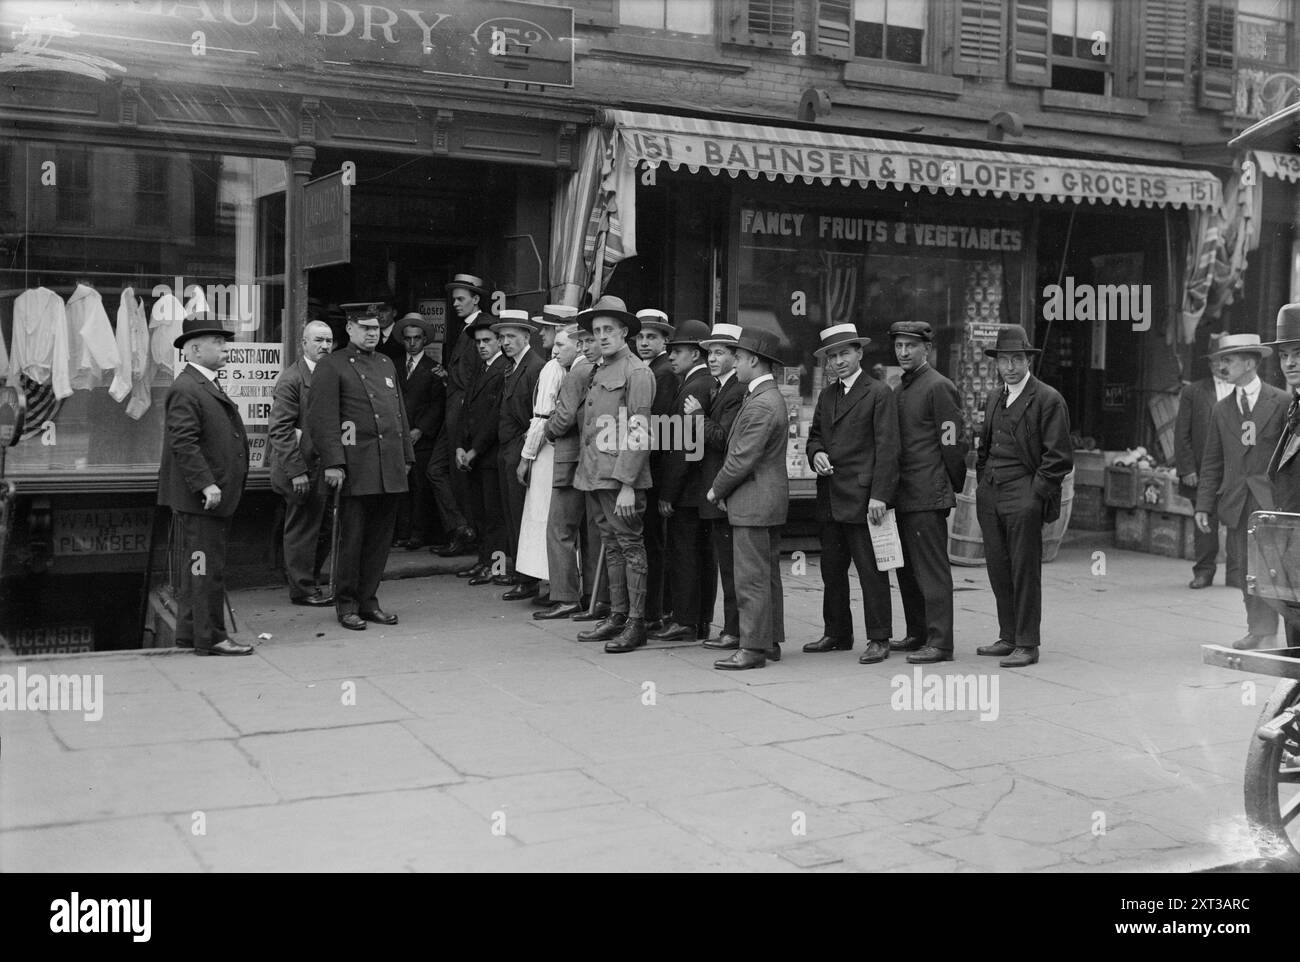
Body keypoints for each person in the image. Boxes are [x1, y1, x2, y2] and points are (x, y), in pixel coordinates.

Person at [307, 310, 415, 631]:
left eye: (377, 329)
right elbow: (322, 417)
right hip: (355, 467)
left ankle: (369, 601)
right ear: (350, 328)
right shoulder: (333, 364)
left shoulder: (384, 364)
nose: (372, 334)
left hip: (388, 466)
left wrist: (406, 456)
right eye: (365, 328)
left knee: (379, 541)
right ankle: (347, 604)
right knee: (351, 540)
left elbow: (399, 413)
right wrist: (334, 462)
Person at [975, 325, 1073, 668]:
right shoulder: (994, 397)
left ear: (1027, 360)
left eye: (1017, 359)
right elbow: (985, 446)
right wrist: (982, 483)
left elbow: (1059, 457)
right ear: (997, 363)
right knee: (998, 567)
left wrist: (1035, 496)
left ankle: (1028, 643)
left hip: (1024, 492)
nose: (1011, 366)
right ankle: (1008, 635)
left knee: (1024, 569)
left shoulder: (1047, 398)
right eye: (1004, 359)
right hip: (991, 492)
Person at [803, 324, 899, 665]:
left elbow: (888, 449)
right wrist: (816, 454)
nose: (839, 361)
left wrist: (880, 496)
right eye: (833, 356)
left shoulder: (878, 392)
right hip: (830, 495)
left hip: (863, 498)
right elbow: (814, 437)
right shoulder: (827, 395)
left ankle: (879, 637)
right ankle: (837, 632)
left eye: (845, 353)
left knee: (871, 571)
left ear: (860, 353)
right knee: (832, 569)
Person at [158, 313, 252, 656]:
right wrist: (206, 485)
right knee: (206, 567)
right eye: (218, 342)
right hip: (203, 499)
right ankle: (212, 638)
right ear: (195, 349)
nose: (225, 348)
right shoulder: (187, 387)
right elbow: (184, 442)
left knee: (196, 565)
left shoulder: (201, 383)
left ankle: (190, 633)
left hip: (207, 497)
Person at [1196, 333, 1290, 651]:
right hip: (1236, 500)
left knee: (1274, 566)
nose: (1222, 366)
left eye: (1229, 360)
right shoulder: (1222, 409)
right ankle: (1258, 629)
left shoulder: (1282, 402)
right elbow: (1211, 461)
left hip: (1271, 501)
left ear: (1249, 363)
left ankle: (1276, 628)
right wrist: (1203, 506)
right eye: (1221, 360)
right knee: (1243, 568)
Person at [573, 296, 655, 653]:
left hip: (620, 479)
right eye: (597, 331)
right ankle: (618, 615)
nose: (602, 336)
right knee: (613, 547)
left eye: (609, 330)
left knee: (631, 548)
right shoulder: (601, 368)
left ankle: (636, 623)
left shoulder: (637, 373)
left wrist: (627, 485)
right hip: (595, 473)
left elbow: (640, 430)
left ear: (625, 332)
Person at [708, 328, 789, 670]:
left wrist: (717, 489)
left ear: (754, 360)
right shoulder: (765, 397)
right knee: (766, 574)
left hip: (753, 500)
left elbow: (741, 457)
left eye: (738, 358)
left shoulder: (761, 403)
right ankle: (767, 641)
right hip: (764, 499)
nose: (735, 364)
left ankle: (753, 648)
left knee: (751, 577)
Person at [889, 320, 967, 664]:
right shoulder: (900, 387)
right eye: (899, 346)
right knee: (906, 570)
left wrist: (949, 488)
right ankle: (918, 632)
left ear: (927, 349)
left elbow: (952, 444)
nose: (903, 352)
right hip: (903, 493)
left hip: (927, 493)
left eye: (911, 346)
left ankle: (940, 642)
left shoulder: (940, 387)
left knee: (932, 571)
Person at [651, 319, 715, 642]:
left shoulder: (691, 386)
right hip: (700, 489)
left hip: (687, 490)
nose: (671, 356)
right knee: (702, 555)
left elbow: (681, 446)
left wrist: (668, 493)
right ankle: (700, 619)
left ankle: (684, 620)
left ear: (694, 353)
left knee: (684, 555)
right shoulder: (705, 382)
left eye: (677, 351)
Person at [268, 319, 334, 607]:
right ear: (304, 343)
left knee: (322, 529)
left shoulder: (329, 375)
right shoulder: (292, 379)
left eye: (329, 341)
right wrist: (297, 471)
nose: (324, 346)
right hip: (301, 469)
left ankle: (308, 581)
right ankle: (302, 589)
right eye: (318, 340)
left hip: (322, 468)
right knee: (302, 530)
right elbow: (280, 429)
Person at [429, 274, 491, 558]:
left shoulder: (481, 328)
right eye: (453, 299)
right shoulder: (466, 328)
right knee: (438, 470)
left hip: (462, 415)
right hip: (452, 411)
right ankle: (462, 528)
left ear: (476, 299)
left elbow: (476, 379)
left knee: (454, 473)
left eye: (460, 299)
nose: (455, 304)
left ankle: (466, 532)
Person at [693, 323, 746, 652]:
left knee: (730, 566)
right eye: (710, 353)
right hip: (715, 488)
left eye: (720, 353)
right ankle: (730, 627)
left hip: (723, 489)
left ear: (735, 357)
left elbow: (724, 439)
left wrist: (698, 416)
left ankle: (734, 630)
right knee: (724, 562)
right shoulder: (720, 387)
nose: (712, 358)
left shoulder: (736, 391)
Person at [530, 324, 588, 620]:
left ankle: (565, 597)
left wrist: (549, 431)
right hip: (585, 461)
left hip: (568, 460)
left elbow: (563, 418)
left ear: (578, 346)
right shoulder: (587, 369)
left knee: (559, 529)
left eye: (562, 345)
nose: (554, 351)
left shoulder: (576, 373)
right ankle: (585, 594)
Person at [493, 309, 547, 600]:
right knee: (512, 513)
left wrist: (525, 451)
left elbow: (537, 415)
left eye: (512, 336)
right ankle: (520, 573)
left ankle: (527, 579)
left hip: (520, 447)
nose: (506, 342)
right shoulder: (512, 366)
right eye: (502, 337)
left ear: (526, 336)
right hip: (508, 448)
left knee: (521, 514)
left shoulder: (534, 367)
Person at [1176, 341, 1237, 589]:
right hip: (1202, 470)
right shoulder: (1194, 392)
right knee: (1205, 522)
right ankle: (1203, 572)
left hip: (1234, 470)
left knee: (1236, 522)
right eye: (1215, 361)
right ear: (1209, 363)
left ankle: (1235, 574)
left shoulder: (1241, 390)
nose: (1220, 366)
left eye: (1225, 361)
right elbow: (1182, 432)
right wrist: (1187, 468)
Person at [456, 316, 510, 586]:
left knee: (494, 516)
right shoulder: (480, 369)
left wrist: (474, 450)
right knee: (478, 512)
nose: (481, 346)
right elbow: (466, 411)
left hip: (488, 454)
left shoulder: (503, 369)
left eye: (487, 340)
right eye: (478, 342)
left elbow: (494, 418)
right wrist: (459, 446)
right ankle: (483, 561)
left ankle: (496, 566)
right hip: (473, 454)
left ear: (499, 340)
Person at [637, 307, 676, 631]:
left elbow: (659, 426)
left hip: (655, 469)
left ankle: (656, 610)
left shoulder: (662, 372)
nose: (644, 342)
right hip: (650, 468)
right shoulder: (650, 368)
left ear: (665, 339)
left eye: (652, 336)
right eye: (641, 336)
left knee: (654, 542)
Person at [394, 314, 445, 551]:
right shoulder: (392, 365)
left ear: (424, 340)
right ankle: (401, 532)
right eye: (407, 338)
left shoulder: (434, 368)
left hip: (421, 438)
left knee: (420, 486)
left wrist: (421, 429)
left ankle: (418, 532)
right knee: (399, 486)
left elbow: (437, 404)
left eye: (416, 338)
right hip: (396, 436)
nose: (412, 343)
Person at [1266, 304, 1300, 649]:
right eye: (1284, 355)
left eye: (1299, 353)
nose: (1290, 363)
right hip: (1291, 555)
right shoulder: (1294, 409)